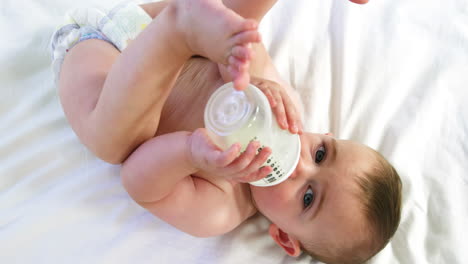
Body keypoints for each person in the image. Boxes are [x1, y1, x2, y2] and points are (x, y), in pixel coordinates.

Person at [51, 0, 402, 263]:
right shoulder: (284, 114)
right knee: (240, 39)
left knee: (113, 145)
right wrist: (257, 80)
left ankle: (177, 32)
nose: (300, 165)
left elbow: (138, 181)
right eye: (321, 154)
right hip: (145, 23)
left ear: (284, 238)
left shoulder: (222, 207)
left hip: (98, 60)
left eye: (308, 197)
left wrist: (190, 152)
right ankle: (184, 28)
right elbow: (236, 56)